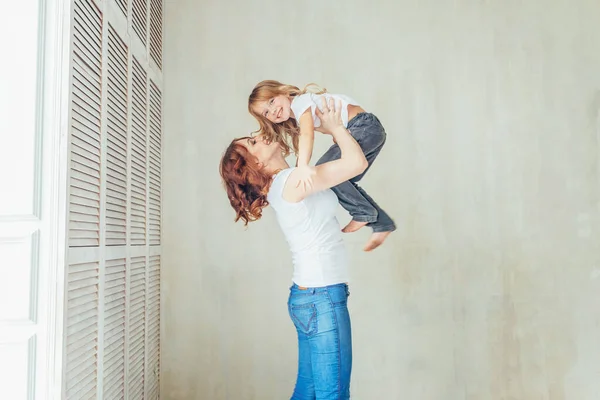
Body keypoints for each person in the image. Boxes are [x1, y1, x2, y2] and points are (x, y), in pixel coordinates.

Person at [220, 98, 365, 399]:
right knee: (332, 395)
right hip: (322, 297)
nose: (259, 134)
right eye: (252, 142)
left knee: (308, 392)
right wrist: (338, 129)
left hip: (309, 297)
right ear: (255, 164)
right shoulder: (289, 182)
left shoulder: (286, 183)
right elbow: (356, 164)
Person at [247, 80, 396, 251]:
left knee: (325, 170)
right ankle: (382, 224)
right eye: (266, 112)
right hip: (367, 130)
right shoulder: (299, 110)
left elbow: (307, 135)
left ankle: (363, 213)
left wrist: (302, 166)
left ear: (283, 92)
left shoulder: (301, 103)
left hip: (363, 127)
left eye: (272, 101)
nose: (273, 110)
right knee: (339, 180)